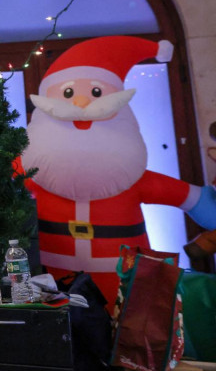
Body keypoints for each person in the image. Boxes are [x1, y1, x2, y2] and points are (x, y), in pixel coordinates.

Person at [20, 36, 216, 306]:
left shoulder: (135, 179)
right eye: (67, 93)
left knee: (125, 332)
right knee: (64, 335)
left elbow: (186, 196)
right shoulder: (31, 171)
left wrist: (207, 205)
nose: (79, 103)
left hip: (123, 278)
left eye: (96, 93)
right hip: (53, 278)